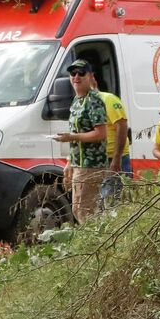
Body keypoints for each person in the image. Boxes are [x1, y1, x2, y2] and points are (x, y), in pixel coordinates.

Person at [55, 59, 110, 220]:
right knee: (80, 210)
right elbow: (76, 132)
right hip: (79, 163)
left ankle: (95, 244)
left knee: (84, 211)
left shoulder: (93, 100)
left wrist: (71, 137)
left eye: (81, 73)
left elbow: (100, 133)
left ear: (90, 76)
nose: (76, 77)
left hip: (91, 165)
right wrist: (69, 161)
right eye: (73, 73)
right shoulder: (77, 100)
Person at [93, 73, 131, 203]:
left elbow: (122, 126)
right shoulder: (83, 104)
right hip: (98, 160)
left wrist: (116, 158)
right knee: (102, 203)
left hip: (114, 159)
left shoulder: (108, 99)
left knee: (114, 202)